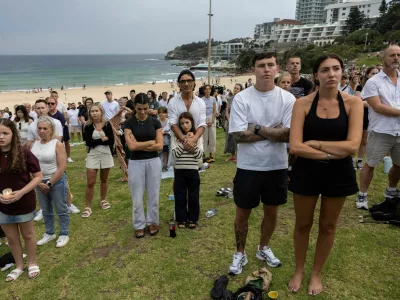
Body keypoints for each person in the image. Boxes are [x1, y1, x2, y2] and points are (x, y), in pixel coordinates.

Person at [288, 54, 362, 295]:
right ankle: (299, 269)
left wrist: (318, 144)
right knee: (303, 224)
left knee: (328, 226)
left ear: (342, 72)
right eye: (325, 70)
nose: (331, 74)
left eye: (336, 69)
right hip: (306, 172)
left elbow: (352, 146)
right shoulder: (303, 104)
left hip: (339, 174)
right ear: (316, 75)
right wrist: (332, 153)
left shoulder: (353, 104)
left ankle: (316, 272)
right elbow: (296, 146)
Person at [228, 52, 295, 275]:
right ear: (254, 70)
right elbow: (238, 135)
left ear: (277, 69)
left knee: (272, 212)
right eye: (261, 65)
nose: (266, 69)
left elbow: (289, 135)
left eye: (270, 65)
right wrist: (274, 130)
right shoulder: (242, 98)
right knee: (242, 214)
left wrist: (255, 127)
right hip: (248, 166)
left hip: (276, 165)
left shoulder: (288, 99)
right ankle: (240, 252)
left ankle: (263, 248)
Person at [357, 45, 400, 210]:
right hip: (381, 130)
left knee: (398, 164)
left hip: (399, 130)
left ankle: (391, 189)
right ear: (383, 59)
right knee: (371, 163)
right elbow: (378, 107)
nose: (396, 58)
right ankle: (362, 194)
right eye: (392, 55)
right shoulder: (373, 82)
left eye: (398, 55)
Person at [0, 119, 42, 281]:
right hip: (2, 205)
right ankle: (18, 265)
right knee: (11, 238)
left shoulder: (24, 152)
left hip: (24, 202)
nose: (1, 137)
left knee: (28, 235)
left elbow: (38, 177)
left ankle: (32, 263)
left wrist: (21, 193)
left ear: (13, 134)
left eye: (5, 133)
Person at [124, 93, 163, 238]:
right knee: (137, 196)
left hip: (153, 162)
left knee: (154, 194)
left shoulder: (155, 122)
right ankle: (139, 224)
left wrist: (139, 145)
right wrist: (149, 143)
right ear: (134, 107)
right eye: (139, 109)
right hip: (135, 163)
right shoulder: (129, 123)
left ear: (149, 106)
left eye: (145, 108)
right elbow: (131, 147)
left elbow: (159, 146)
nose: (142, 112)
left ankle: (153, 221)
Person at [31, 116, 70, 248]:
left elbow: (62, 167)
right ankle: (49, 233)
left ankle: (64, 233)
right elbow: (30, 165)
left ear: (51, 129)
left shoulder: (57, 144)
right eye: (39, 128)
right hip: (39, 181)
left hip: (56, 180)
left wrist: (49, 183)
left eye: (45, 128)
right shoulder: (34, 144)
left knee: (61, 208)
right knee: (45, 209)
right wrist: (37, 182)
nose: (41, 131)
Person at [82, 104, 114, 218]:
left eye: (96, 111)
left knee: (104, 179)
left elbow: (111, 141)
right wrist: (102, 139)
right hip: (93, 154)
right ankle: (88, 206)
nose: (94, 113)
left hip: (106, 154)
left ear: (101, 112)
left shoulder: (107, 124)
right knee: (91, 182)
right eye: (92, 111)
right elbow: (88, 142)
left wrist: (98, 141)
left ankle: (103, 200)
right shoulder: (87, 125)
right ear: (89, 113)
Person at [172, 112, 203, 229]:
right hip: (179, 171)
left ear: (192, 123)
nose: (185, 125)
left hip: (193, 171)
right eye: (182, 123)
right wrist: (185, 142)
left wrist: (192, 142)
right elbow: (175, 155)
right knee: (180, 195)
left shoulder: (197, 137)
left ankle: (192, 218)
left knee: (193, 195)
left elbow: (199, 156)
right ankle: (181, 218)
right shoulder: (176, 137)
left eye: (187, 122)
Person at [167, 70, 206, 158]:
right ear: (179, 84)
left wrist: (194, 139)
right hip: (177, 142)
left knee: (196, 168)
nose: (186, 83)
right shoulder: (173, 102)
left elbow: (202, 124)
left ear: (194, 82)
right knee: (178, 168)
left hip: (196, 140)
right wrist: (186, 141)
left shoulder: (200, 102)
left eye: (189, 80)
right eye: (183, 81)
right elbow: (173, 124)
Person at [354, 67, 380, 170]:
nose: (374, 75)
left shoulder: (380, 87)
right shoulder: (361, 87)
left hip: (372, 116)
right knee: (355, 138)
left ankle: (359, 160)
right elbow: (357, 102)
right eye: (372, 73)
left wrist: (370, 103)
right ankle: (351, 159)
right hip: (360, 115)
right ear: (367, 74)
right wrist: (374, 103)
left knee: (364, 140)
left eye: (376, 73)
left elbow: (379, 103)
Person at [51, 91, 72, 163]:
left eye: (55, 96)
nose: (54, 97)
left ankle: (68, 157)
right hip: (52, 127)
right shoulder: (49, 105)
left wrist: (63, 126)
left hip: (63, 125)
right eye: (52, 96)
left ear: (57, 97)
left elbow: (65, 115)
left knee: (66, 141)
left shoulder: (61, 105)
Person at [224, 84, 243, 162]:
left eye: (237, 89)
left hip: (239, 122)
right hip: (231, 122)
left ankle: (240, 156)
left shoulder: (243, 99)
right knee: (230, 138)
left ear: (241, 90)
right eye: (235, 88)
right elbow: (227, 111)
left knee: (239, 139)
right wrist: (229, 120)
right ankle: (232, 155)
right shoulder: (230, 99)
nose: (235, 89)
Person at [202, 85, 217, 162]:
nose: (207, 91)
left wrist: (212, 120)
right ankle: (203, 154)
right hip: (204, 118)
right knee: (204, 137)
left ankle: (211, 155)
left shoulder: (213, 99)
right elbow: (201, 111)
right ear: (204, 91)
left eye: (209, 89)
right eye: (206, 89)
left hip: (212, 117)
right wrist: (204, 120)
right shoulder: (201, 100)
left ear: (210, 90)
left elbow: (215, 110)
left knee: (212, 137)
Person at [158, 107, 171, 171]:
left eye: (163, 112)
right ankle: (158, 166)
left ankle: (165, 166)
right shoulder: (157, 121)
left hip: (166, 141)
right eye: (160, 113)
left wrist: (165, 132)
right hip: (158, 141)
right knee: (158, 154)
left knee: (165, 153)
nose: (161, 114)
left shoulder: (168, 121)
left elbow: (170, 130)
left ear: (166, 113)